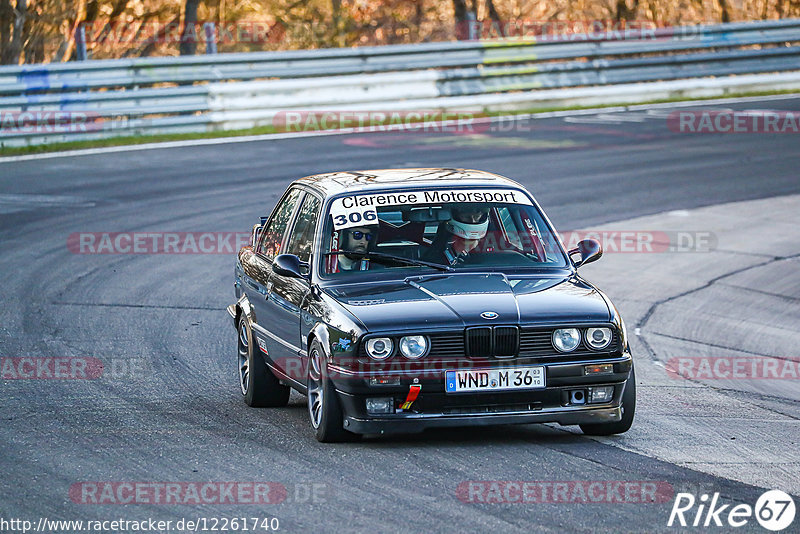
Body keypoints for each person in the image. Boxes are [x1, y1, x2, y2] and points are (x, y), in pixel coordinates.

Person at [423, 205, 490, 265]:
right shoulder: (439, 252)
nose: (473, 221)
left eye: (477, 217)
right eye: (466, 217)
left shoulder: (491, 249)